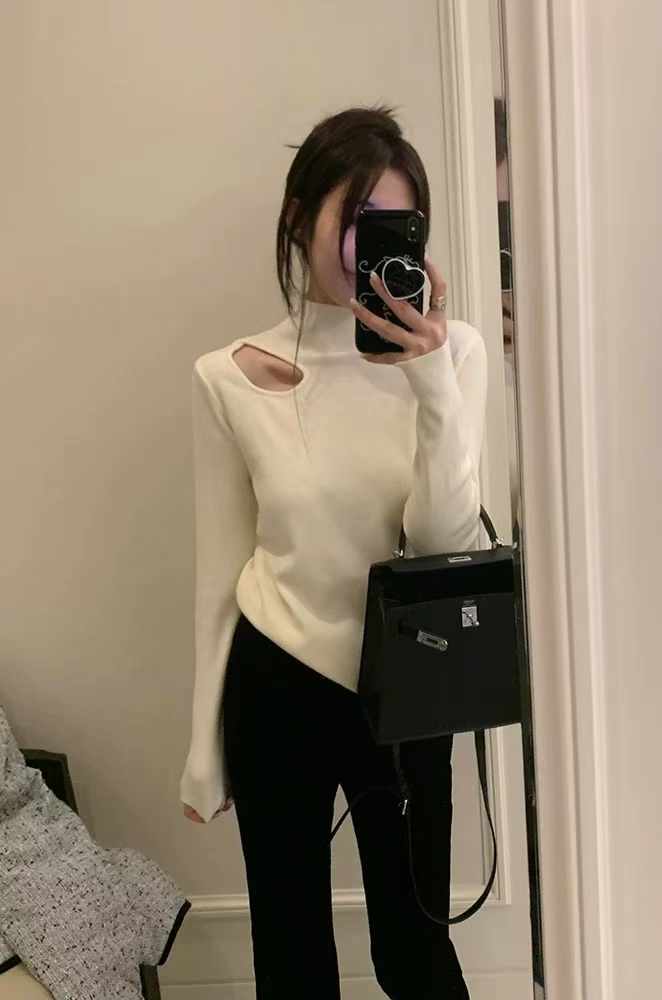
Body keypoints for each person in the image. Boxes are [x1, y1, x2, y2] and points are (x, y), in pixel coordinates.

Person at [179, 105, 488, 999]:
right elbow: (219, 573)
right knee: (293, 961)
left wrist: (430, 380)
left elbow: (444, 542)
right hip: (277, 679)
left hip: (413, 680)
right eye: (354, 219)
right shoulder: (226, 376)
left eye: (395, 222)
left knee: (416, 952)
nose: (369, 244)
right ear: (297, 217)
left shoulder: (456, 355)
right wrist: (202, 743)